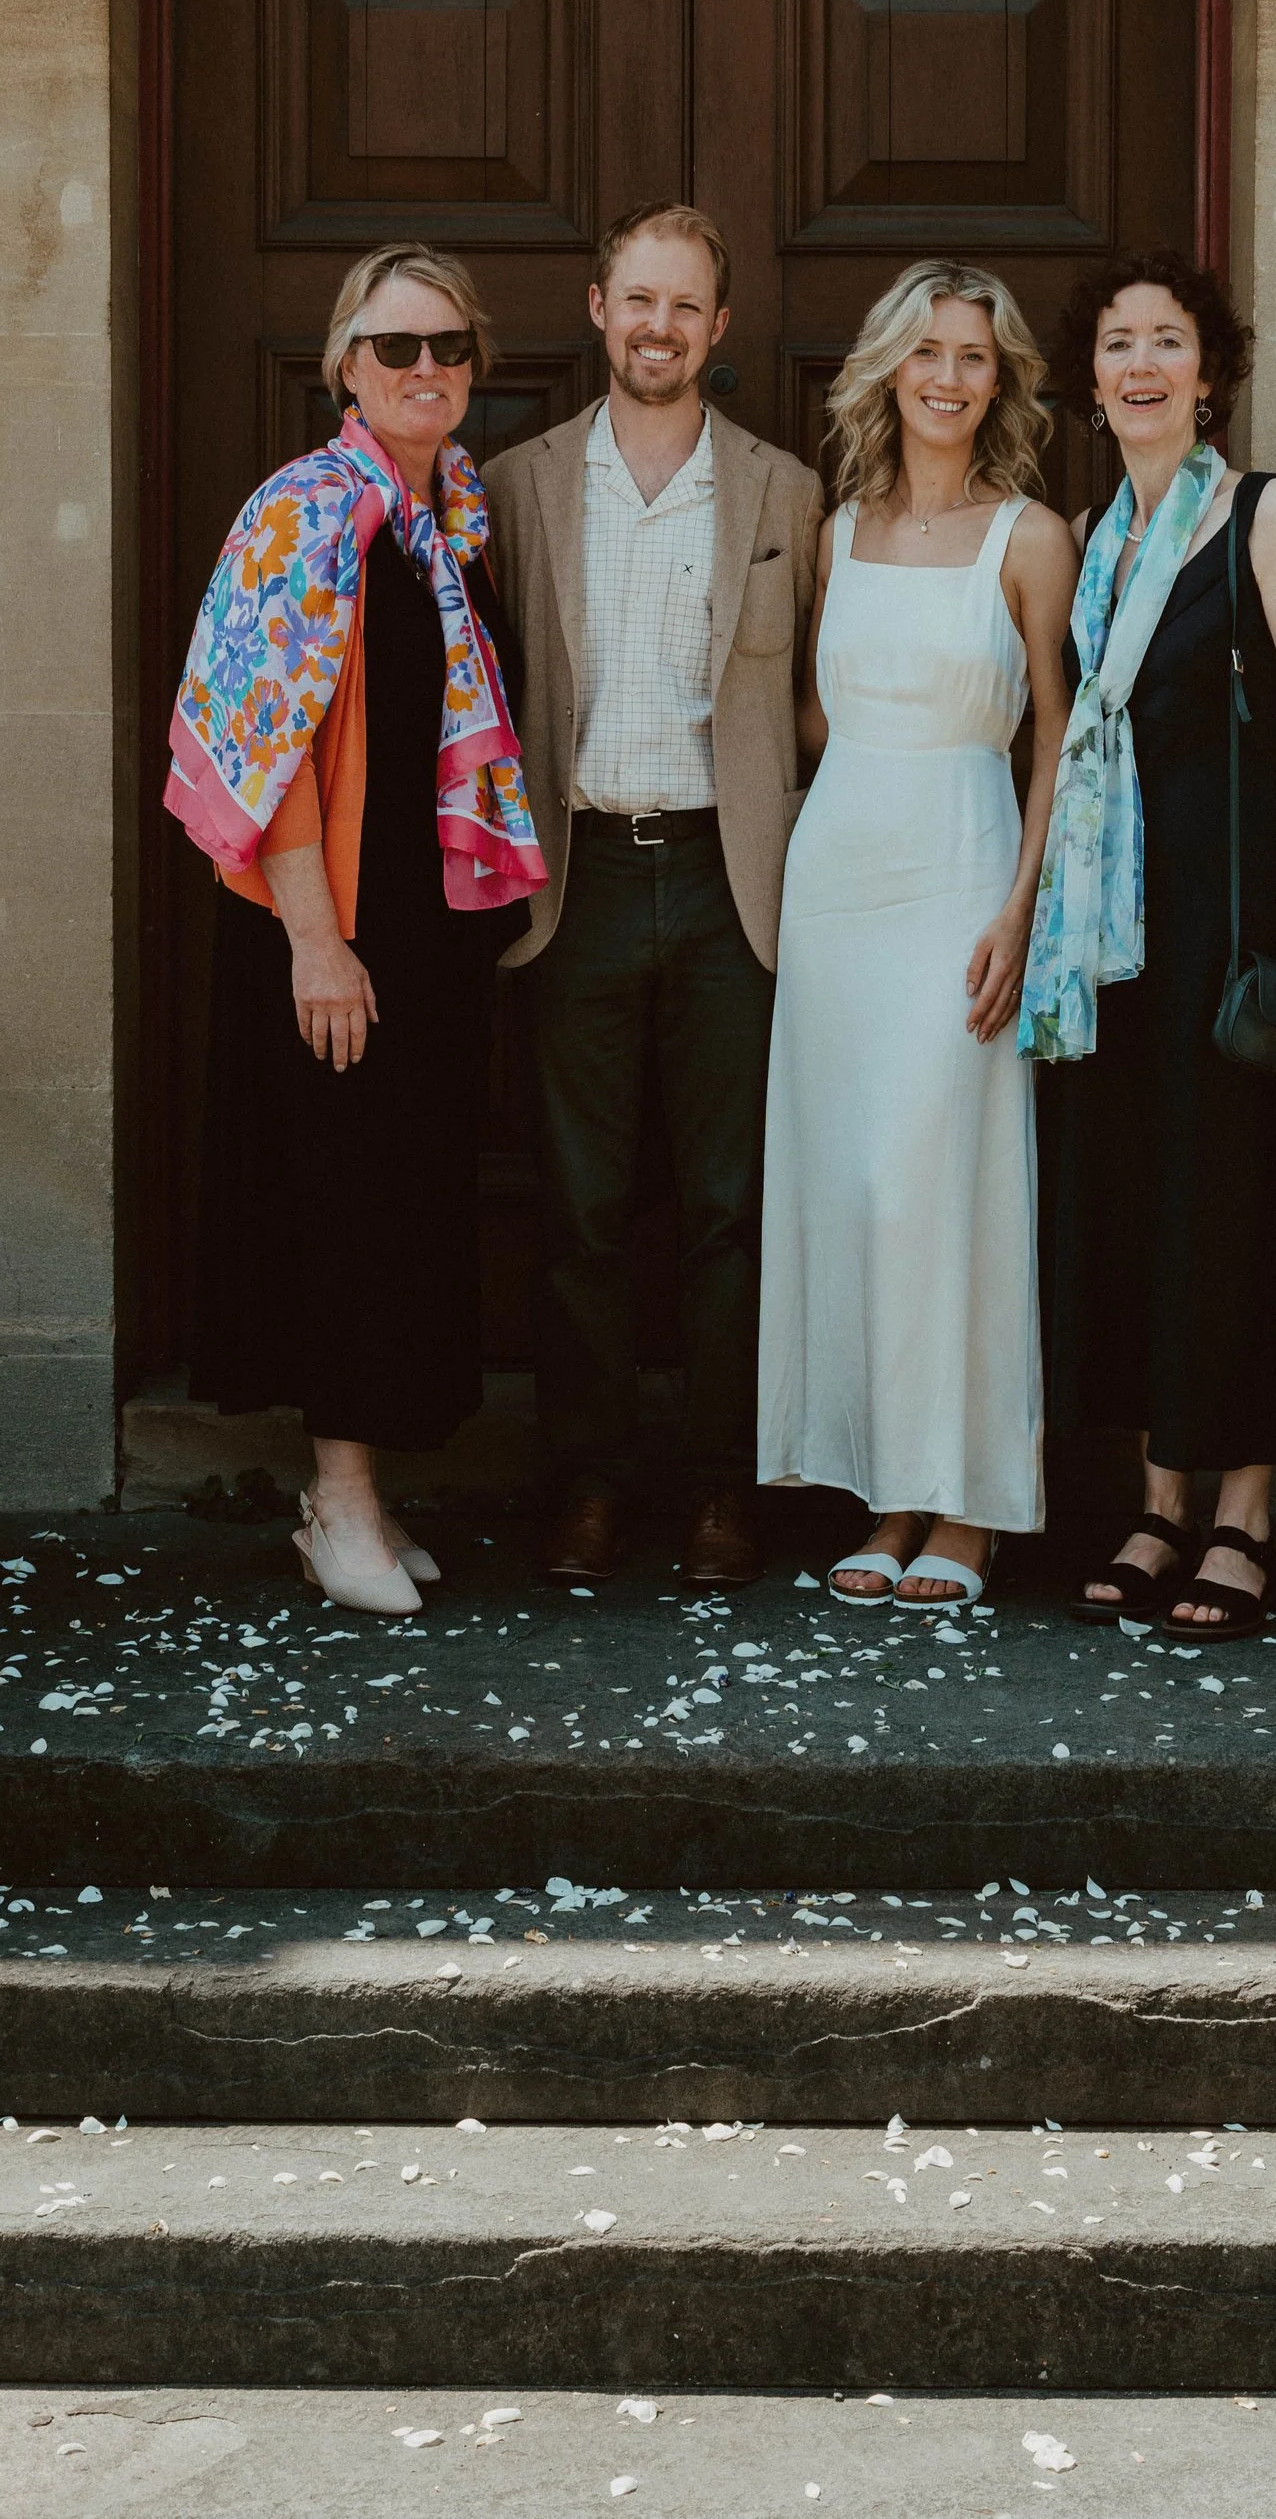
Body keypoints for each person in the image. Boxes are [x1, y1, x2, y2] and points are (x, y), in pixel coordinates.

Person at [1022, 249, 1276, 1637]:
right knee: (1144, 1204)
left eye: (1166, 341)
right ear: (1092, 375)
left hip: (1237, 921)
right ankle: (1157, 1502)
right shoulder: (1094, 530)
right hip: (1115, 934)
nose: (1140, 365)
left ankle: (1243, 1519)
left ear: (1208, 368)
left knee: (1242, 1201)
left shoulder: (1265, 513)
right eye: (1118, 342)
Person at [165, 242, 546, 1618]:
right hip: (326, 921)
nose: (426, 370)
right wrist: (317, 944)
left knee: (403, 1205)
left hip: (427, 925)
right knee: (339, 1207)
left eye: (449, 348)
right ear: (346, 365)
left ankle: (369, 1488)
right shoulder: (306, 516)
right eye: (397, 349)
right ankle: (338, 1501)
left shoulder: (456, 517)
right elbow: (260, 745)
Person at [486, 204, 823, 1590]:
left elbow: (814, 701)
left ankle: (723, 1489)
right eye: (638, 300)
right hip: (575, 879)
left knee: (734, 1207)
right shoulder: (514, 486)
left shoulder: (785, 494)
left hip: (727, 877)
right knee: (579, 1207)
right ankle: (586, 1480)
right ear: (596, 306)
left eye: (685, 306)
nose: (659, 327)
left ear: (719, 326)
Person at [757, 260, 1076, 1609]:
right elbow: (819, 723)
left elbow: (1059, 736)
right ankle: (884, 1493)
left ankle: (970, 1505)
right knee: (855, 1193)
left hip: (965, 869)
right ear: (891, 367)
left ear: (999, 381)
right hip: (838, 883)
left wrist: (1024, 906)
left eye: (976, 356)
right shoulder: (840, 531)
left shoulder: (1033, 536)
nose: (950, 377)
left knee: (949, 1184)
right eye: (929, 352)